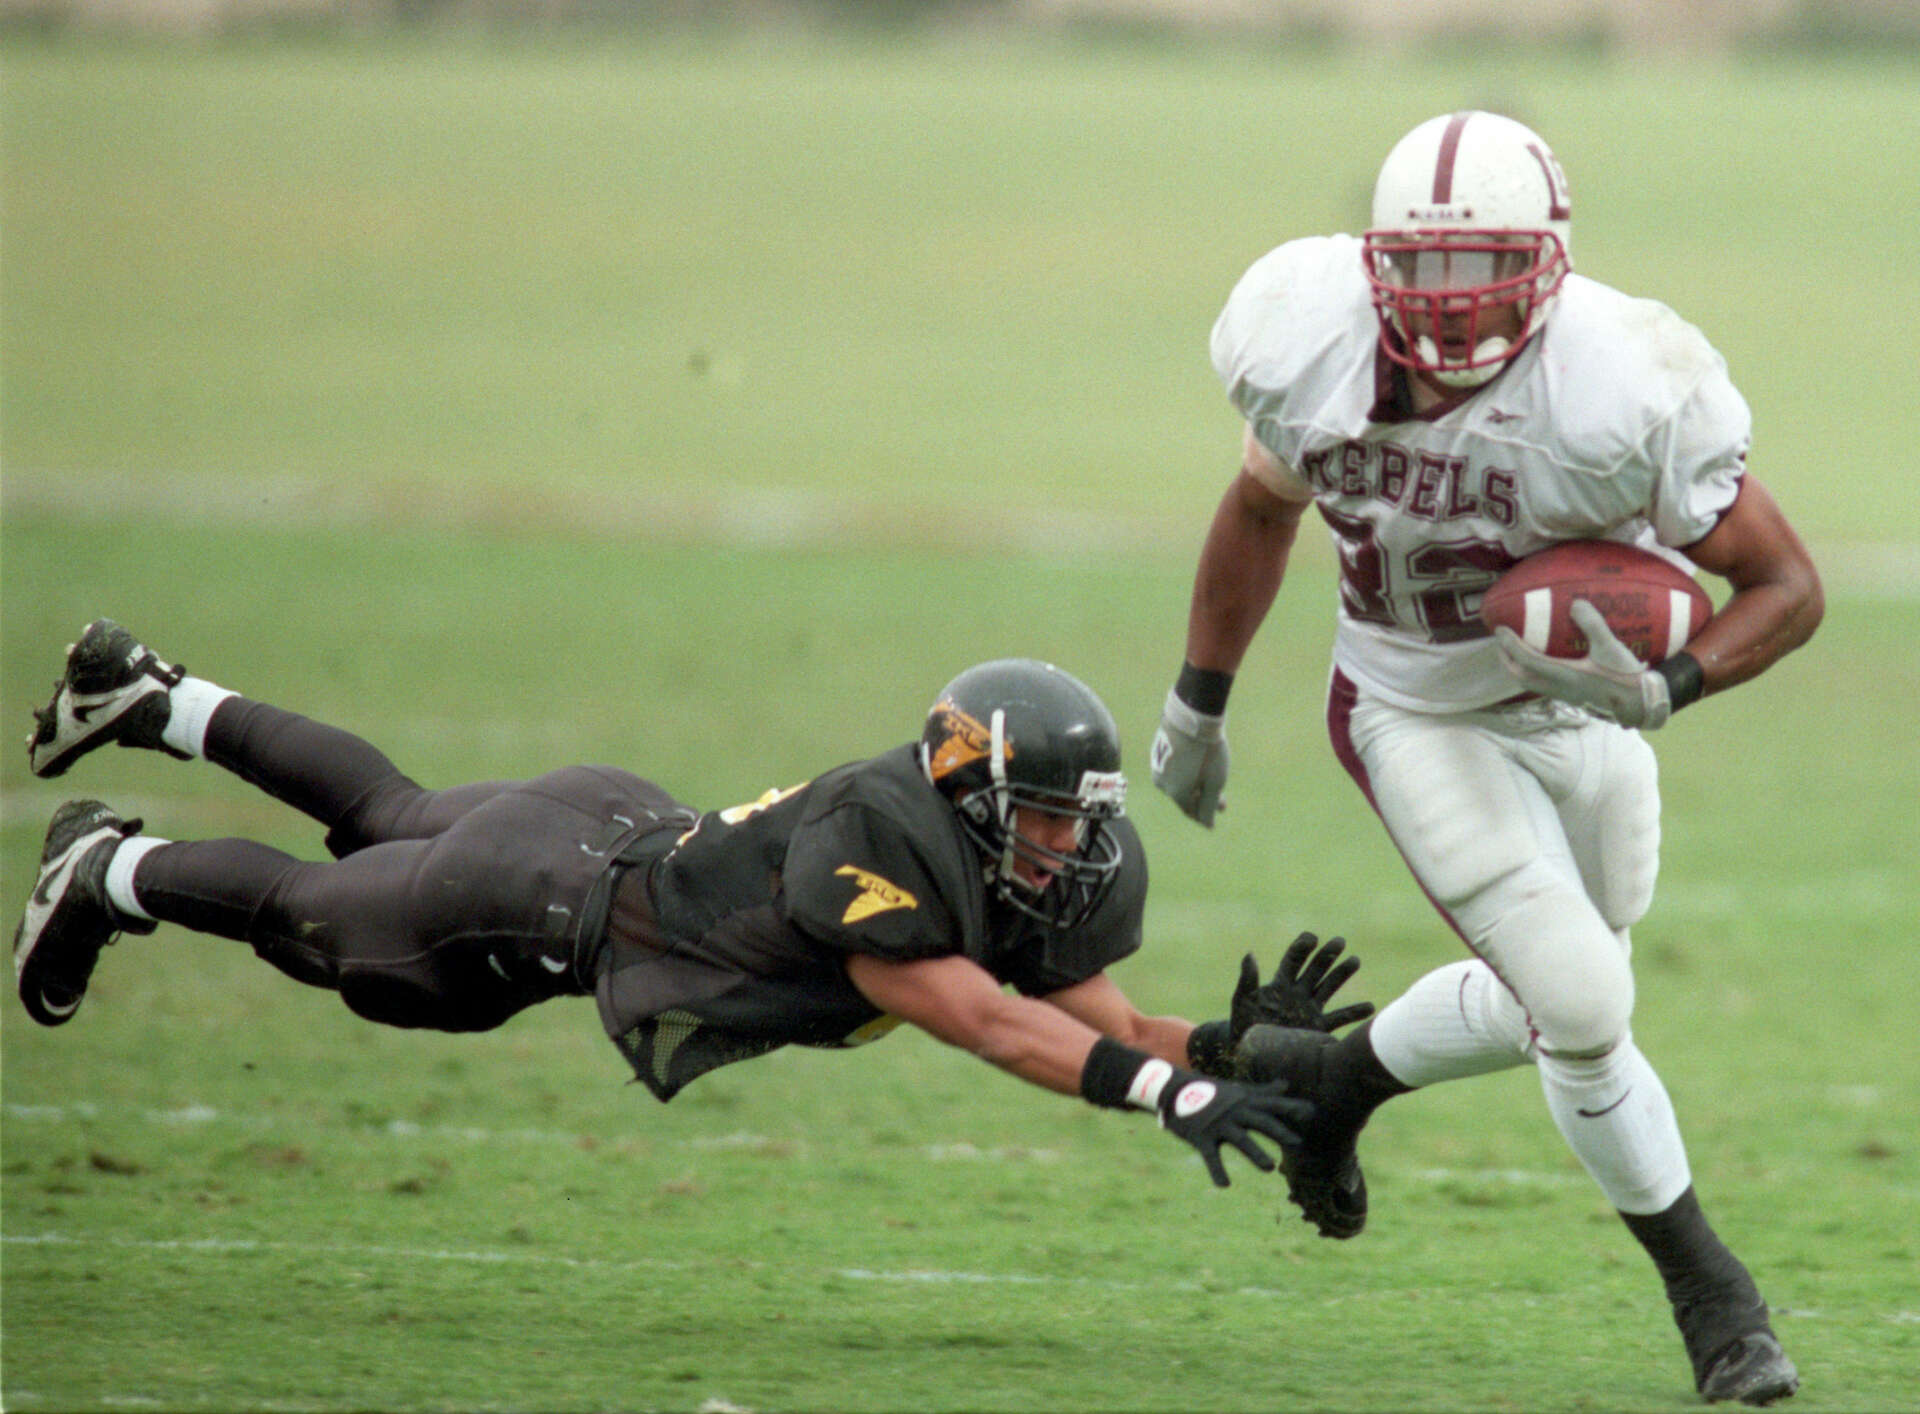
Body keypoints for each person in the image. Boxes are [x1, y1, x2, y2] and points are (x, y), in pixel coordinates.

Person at [1150, 111, 1822, 1405]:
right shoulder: (1307, 338)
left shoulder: (1626, 379)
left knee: (1571, 987)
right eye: (1422, 267)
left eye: (1485, 267)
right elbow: (1257, 508)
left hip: (1586, 712)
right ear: (1371, 258)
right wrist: (1200, 701)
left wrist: (1669, 681)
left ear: (1551, 260)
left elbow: (1788, 585)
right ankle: (1716, 1301)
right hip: (1415, 707)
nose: (1452, 308)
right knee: (1578, 1000)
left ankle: (1334, 1085)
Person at [14, 620, 1376, 1192]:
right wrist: (1159, 1097)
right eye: (1039, 819)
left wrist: (1221, 1049)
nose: (1061, 850)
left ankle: (157, 696)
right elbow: (979, 1021)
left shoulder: (974, 845)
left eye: (1075, 823)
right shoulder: (879, 843)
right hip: (547, 898)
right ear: (968, 793)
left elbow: (1112, 1016)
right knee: (334, 925)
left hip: (600, 823)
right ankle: (112, 868)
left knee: (387, 814)